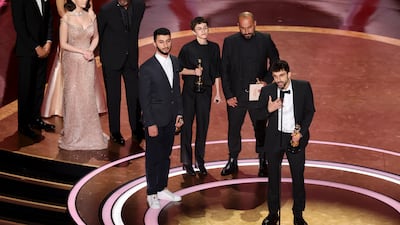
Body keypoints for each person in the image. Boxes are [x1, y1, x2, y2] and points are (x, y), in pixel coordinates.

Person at [220, 11, 279, 177]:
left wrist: (267, 81)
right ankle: (232, 160)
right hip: (236, 97)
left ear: (255, 24)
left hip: (258, 95)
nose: (246, 31)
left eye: (249, 28)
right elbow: (224, 70)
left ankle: (263, 161)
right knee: (233, 129)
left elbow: (275, 60)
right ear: (237, 26)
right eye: (243, 28)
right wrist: (229, 95)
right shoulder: (229, 42)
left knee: (260, 128)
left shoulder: (265, 39)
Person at [258, 60, 315, 225]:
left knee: (298, 177)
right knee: (273, 178)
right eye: (275, 77)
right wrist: (269, 109)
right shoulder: (268, 90)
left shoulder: (303, 87)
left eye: (282, 75)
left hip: (295, 139)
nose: (279, 80)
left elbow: (310, 111)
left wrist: (301, 133)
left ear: (289, 74)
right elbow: (258, 115)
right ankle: (273, 214)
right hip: (274, 140)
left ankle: (298, 215)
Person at [139, 28, 184, 209]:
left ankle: (162, 187)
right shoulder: (147, 68)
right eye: (162, 42)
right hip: (155, 121)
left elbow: (177, 91)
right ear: (154, 43)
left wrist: (180, 113)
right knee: (153, 157)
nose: (166, 45)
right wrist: (150, 123)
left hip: (171, 118)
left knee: (166, 155)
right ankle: (151, 192)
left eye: (168, 41)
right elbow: (144, 99)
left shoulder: (174, 62)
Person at [41, 0, 107, 118]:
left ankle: (88, 106)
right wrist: (77, 23)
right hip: (71, 36)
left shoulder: (87, 8)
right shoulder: (66, 17)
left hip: (85, 38)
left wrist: (86, 22)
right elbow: (61, 12)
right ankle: (63, 107)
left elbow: (90, 9)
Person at [58, 0, 108, 150]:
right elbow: (63, 44)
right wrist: (82, 52)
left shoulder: (91, 16)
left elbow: (96, 37)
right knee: (73, 96)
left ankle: (89, 132)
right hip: (73, 61)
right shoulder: (66, 18)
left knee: (87, 96)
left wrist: (90, 50)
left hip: (88, 62)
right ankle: (74, 133)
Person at [97, 0, 145, 145]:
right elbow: (98, 33)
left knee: (135, 95)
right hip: (111, 60)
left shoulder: (139, 6)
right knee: (113, 97)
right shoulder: (106, 10)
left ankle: (137, 129)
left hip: (130, 59)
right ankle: (115, 132)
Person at [179, 17, 222, 176]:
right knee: (187, 127)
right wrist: (193, 72)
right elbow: (179, 69)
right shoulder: (187, 48)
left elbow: (217, 72)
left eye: (205, 28)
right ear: (193, 31)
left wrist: (218, 93)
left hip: (206, 92)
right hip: (189, 92)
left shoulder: (214, 48)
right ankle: (186, 161)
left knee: (203, 126)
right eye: (200, 29)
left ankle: (200, 160)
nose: (203, 31)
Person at [11, 0, 56, 140]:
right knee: (26, 89)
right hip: (27, 50)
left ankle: (35, 119)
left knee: (38, 86)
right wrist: (36, 47)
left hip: (44, 49)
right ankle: (24, 126)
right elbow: (19, 26)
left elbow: (49, 19)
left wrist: (48, 41)